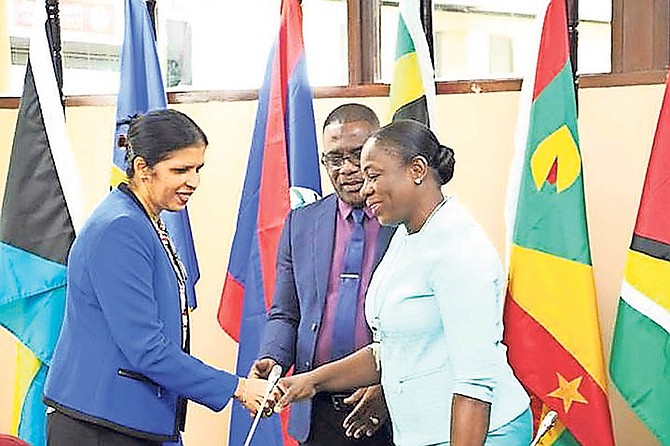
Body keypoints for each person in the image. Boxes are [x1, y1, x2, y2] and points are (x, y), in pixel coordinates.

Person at [274, 120, 532, 446]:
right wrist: (311, 383)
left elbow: (474, 384)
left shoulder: (458, 248)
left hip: (484, 435)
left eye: (373, 175)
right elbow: (391, 350)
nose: (365, 188)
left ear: (417, 170)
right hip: (424, 434)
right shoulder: (407, 235)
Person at [43, 109, 269, 446]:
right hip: (102, 427)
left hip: (132, 419)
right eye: (180, 170)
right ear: (142, 169)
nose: (193, 181)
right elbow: (147, 349)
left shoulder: (142, 219)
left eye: (197, 169)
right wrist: (237, 387)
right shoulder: (121, 228)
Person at [249, 104, 395, 445]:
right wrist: (272, 357)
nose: (346, 169)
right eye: (334, 158)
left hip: (389, 408)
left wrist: (388, 386)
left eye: (357, 155)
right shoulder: (301, 223)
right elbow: (286, 313)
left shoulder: (404, 223)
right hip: (316, 413)